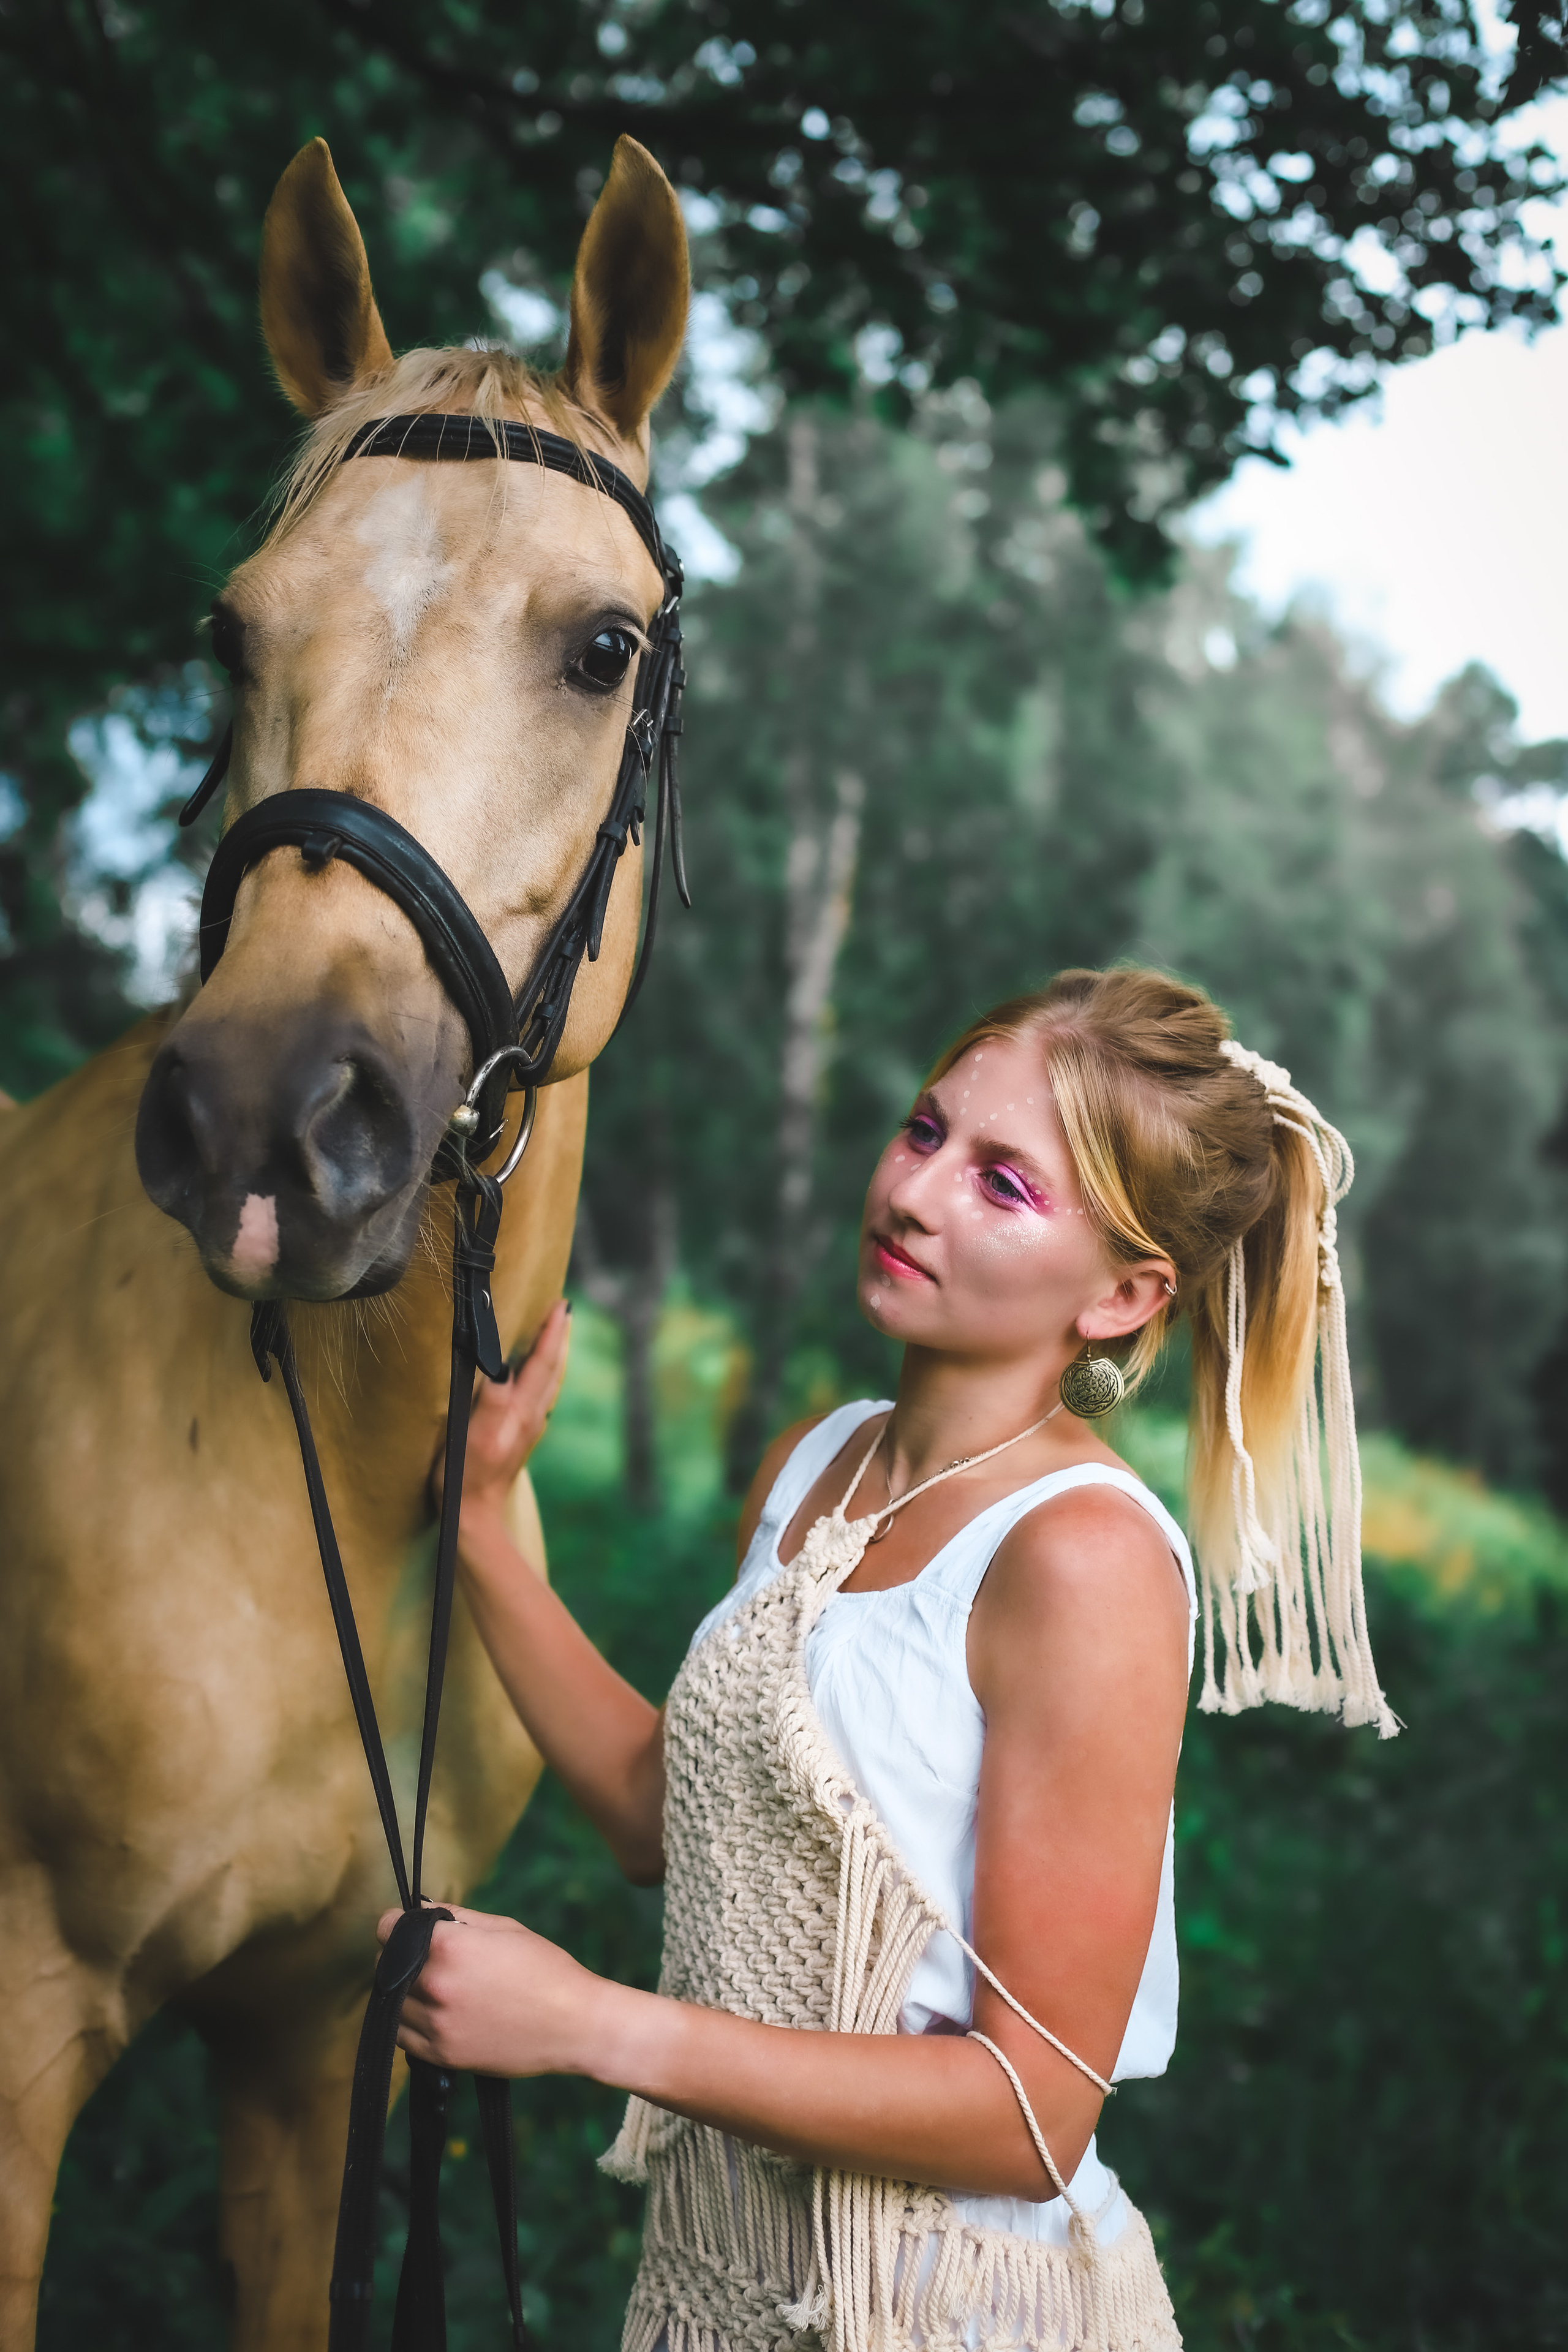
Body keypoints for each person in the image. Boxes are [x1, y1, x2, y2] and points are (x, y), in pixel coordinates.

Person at [383, 966, 1397, 2352]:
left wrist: (591, 2027)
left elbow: (1033, 2111)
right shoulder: (822, 1458)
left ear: (1120, 1294)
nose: (915, 1192)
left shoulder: (1079, 1557)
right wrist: (489, 1537)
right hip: (718, 2290)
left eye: (1004, 1184)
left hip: (946, 2314)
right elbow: (659, 1812)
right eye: (925, 1132)